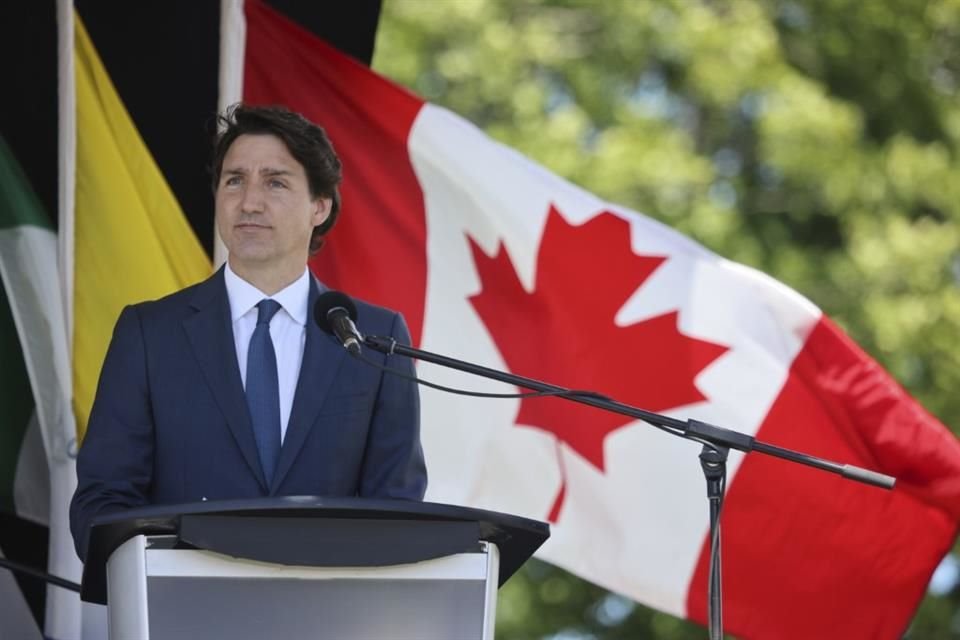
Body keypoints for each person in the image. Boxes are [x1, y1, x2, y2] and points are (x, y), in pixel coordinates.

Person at [69, 104, 427, 560]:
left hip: (328, 617)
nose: (249, 202)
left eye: (275, 182)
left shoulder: (373, 336)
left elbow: (396, 508)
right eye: (234, 180)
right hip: (185, 616)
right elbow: (102, 503)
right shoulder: (149, 333)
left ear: (320, 206)